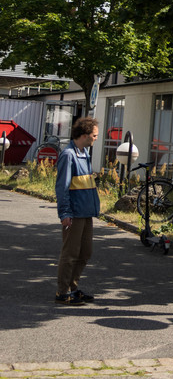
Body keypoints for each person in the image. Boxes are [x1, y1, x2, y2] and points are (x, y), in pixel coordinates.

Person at [55, 116, 100, 305]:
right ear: (84, 135)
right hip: (74, 213)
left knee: (85, 253)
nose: (96, 138)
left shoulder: (84, 153)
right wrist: (65, 213)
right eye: (94, 135)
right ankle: (62, 292)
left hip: (86, 212)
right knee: (70, 253)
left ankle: (73, 288)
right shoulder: (69, 155)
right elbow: (62, 187)